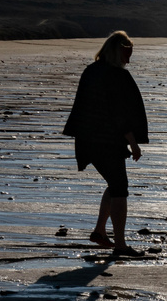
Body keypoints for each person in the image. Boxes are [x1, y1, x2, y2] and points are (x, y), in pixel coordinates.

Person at [63, 31, 148, 258]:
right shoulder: (115, 76)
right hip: (106, 141)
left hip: (89, 139)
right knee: (120, 189)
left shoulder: (91, 71)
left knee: (115, 184)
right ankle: (119, 244)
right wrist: (134, 143)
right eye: (126, 54)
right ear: (116, 50)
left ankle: (100, 232)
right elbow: (119, 114)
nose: (128, 60)